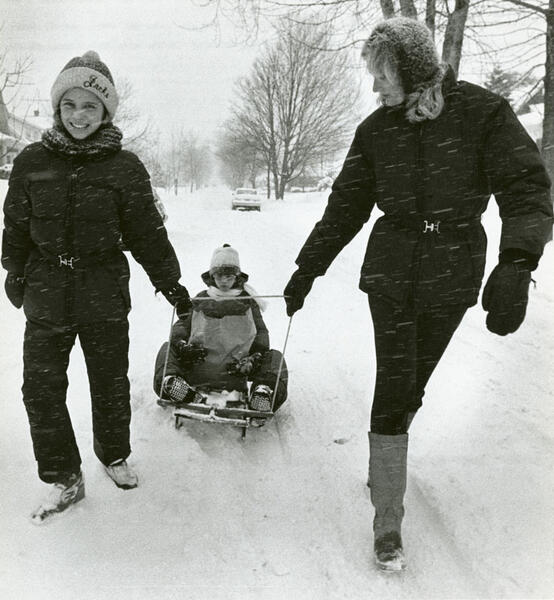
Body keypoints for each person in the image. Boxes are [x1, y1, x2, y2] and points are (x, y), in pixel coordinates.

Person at [283, 17, 552, 571]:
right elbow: (345, 208)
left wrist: (518, 260)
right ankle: (387, 517)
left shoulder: (484, 113)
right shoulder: (376, 130)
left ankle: (387, 451)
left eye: (382, 75)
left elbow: (526, 188)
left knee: (414, 384)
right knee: (394, 379)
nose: (376, 88)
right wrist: (307, 270)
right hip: (391, 270)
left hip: (454, 271)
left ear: (409, 69)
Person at [2, 51, 191, 523]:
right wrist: (14, 270)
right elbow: (16, 225)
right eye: (70, 104)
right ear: (57, 108)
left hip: (104, 291)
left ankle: (113, 454)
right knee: (40, 390)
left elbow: (148, 232)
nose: (78, 115)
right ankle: (64, 476)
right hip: (47, 292)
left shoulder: (125, 167)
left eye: (90, 105)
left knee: (108, 384)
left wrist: (172, 284)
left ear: (106, 111)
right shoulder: (31, 161)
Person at [153, 244, 287, 417]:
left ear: (237, 276)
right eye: (219, 275)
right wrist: (183, 346)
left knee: (274, 357)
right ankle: (173, 384)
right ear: (212, 276)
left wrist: (252, 359)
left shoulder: (247, 301)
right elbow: (181, 328)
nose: (224, 280)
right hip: (198, 363)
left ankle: (263, 393)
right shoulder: (201, 298)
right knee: (168, 348)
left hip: (236, 370)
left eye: (229, 276)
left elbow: (261, 337)